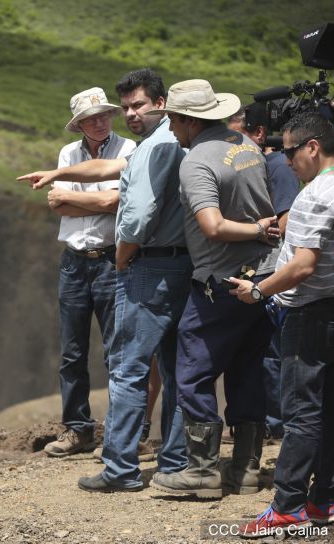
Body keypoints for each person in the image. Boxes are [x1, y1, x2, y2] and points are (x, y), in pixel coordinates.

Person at [19, 68, 191, 492]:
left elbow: (127, 206)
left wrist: (120, 252)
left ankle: (122, 458)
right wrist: (64, 182)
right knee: (80, 352)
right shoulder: (139, 146)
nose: (112, 118)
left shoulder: (148, 146)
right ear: (78, 124)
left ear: (162, 104)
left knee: (128, 361)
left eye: (131, 106)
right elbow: (72, 199)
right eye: (123, 107)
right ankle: (121, 444)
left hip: (129, 261)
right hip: (83, 261)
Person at [146, 80, 281, 499]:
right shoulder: (244, 144)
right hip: (262, 278)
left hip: (220, 281)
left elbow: (213, 227)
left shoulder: (197, 162)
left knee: (192, 373)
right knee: (246, 370)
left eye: (172, 120)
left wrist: (258, 230)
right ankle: (245, 469)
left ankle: (202, 471)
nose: (169, 128)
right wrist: (264, 232)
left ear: (188, 120)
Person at [231, 112, 334, 536]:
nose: (285, 160)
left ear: (313, 146)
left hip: (308, 314)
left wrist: (258, 290)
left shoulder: (315, 195)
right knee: (327, 411)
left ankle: (287, 505)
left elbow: (303, 266)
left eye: (290, 151)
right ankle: (322, 499)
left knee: (302, 414)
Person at [41, 88, 136, 458]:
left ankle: (117, 434)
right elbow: (57, 205)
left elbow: (118, 202)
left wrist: (79, 201)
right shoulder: (69, 154)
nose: (99, 122)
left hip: (113, 259)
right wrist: (95, 202)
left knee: (117, 351)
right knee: (72, 351)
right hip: (75, 260)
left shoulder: (128, 150)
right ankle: (77, 429)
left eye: (104, 115)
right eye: (91, 118)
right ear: (79, 124)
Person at [228, 103, 301, 443]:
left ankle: (276, 425)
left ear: (258, 134)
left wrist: (256, 231)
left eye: (235, 135)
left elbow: (285, 220)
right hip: (258, 271)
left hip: (270, 272)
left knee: (271, 356)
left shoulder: (276, 166)